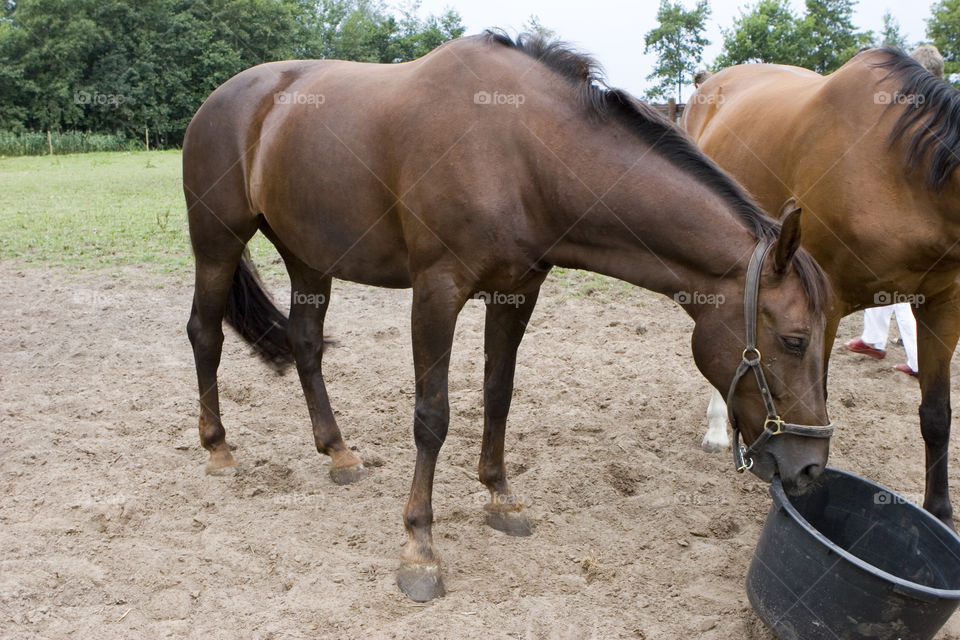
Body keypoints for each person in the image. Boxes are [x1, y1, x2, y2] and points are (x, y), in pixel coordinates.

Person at [845, 45, 944, 379]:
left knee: (905, 286)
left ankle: (917, 360)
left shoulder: (923, 118)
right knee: (880, 274)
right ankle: (873, 338)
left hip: (917, 220)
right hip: (915, 214)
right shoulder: (933, 112)